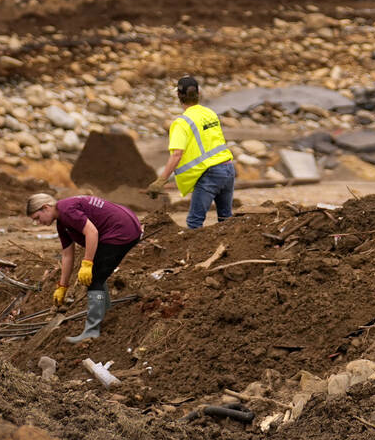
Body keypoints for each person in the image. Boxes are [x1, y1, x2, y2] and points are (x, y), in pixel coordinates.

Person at [26, 192, 142, 343]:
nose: (38, 223)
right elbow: (67, 255)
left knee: (94, 279)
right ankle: (105, 315)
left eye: (37, 218)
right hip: (124, 225)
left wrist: (87, 263)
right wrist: (62, 286)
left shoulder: (66, 210)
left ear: (46, 208)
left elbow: (91, 232)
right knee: (98, 275)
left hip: (121, 229)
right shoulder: (62, 223)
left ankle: (92, 331)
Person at [147, 75, 235, 229]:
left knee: (194, 222)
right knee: (225, 218)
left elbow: (177, 154)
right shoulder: (210, 113)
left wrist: (161, 180)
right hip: (228, 169)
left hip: (211, 174)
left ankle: (195, 254)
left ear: (178, 96)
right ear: (199, 93)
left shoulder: (182, 123)